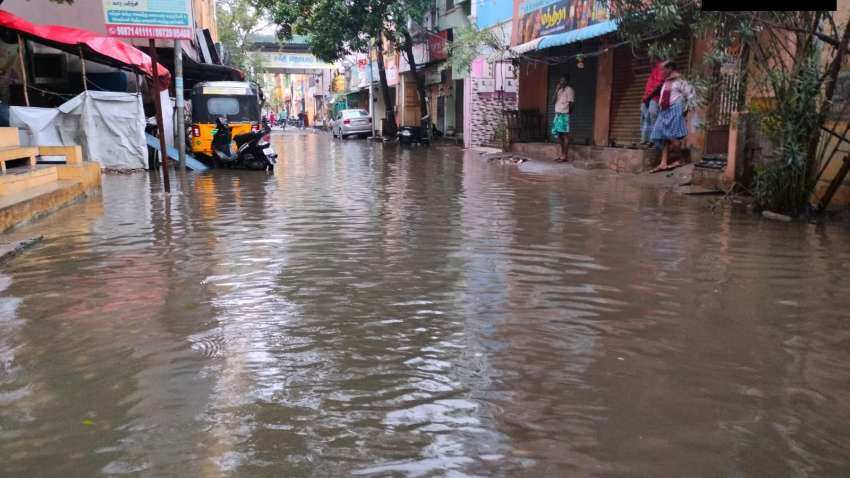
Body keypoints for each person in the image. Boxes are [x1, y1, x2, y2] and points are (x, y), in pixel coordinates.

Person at [649, 62, 696, 173]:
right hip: (663, 111)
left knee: (672, 136)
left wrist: (686, 109)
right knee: (662, 136)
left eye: (663, 70)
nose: (661, 72)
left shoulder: (680, 81)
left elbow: (691, 94)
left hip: (675, 109)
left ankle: (681, 159)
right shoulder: (666, 82)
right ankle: (663, 163)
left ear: (670, 68)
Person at [641, 59, 668, 146]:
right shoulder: (653, 70)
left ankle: (654, 140)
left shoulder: (660, 68)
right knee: (646, 119)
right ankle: (646, 140)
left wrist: (648, 96)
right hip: (647, 98)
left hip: (654, 98)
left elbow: (659, 84)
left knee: (652, 118)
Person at [551, 75, 575, 162]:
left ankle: (565, 156)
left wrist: (568, 113)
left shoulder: (569, 90)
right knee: (558, 135)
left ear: (567, 81)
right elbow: (553, 101)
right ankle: (562, 155)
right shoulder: (559, 90)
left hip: (564, 115)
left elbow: (571, 103)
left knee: (565, 135)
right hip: (557, 115)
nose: (562, 82)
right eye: (561, 80)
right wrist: (556, 90)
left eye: (564, 80)